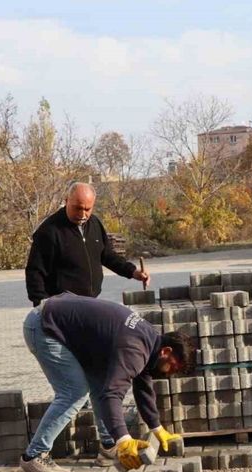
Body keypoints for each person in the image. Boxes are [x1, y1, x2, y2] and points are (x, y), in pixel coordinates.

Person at [20, 293, 196, 472]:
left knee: (100, 385)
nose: (170, 374)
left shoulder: (149, 341)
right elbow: (112, 394)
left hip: (59, 320)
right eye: (173, 368)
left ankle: (109, 447)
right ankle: (34, 455)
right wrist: (124, 439)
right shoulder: (134, 349)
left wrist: (156, 426)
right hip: (44, 326)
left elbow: (143, 385)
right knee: (74, 392)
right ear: (166, 351)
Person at [25, 182, 149, 307]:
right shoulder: (49, 231)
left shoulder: (94, 224)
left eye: (87, 209)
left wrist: (132, 272)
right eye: (77, 208)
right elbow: (35, 272)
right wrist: (42, 305)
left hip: (91, 302)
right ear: (67, 201)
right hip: (62, 306)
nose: (82, 215)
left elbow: (107, 255)